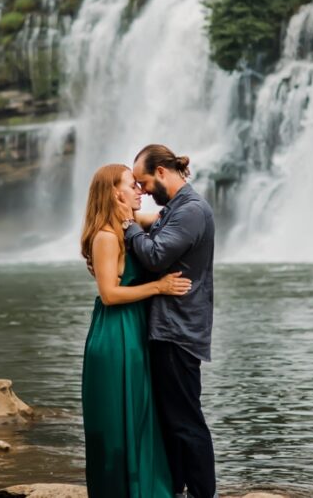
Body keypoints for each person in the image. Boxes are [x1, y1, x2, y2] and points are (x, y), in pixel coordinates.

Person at [81, 163, 192, 497]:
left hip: (134, 332)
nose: (140, 190)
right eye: (133, 185)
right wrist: (158, 287)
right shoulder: (104, 237)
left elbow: (165, 221)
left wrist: (179, 179)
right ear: (116, 193)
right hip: (116, 335)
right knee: (118, 420)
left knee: (142, 414)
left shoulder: (127, 226)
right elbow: (109, 295)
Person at [120, 144, 217, 498]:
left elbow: (157, 256)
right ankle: (175, 489)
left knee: (186, 421)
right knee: (172, 420)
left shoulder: (190, 210)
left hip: (179, 330)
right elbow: (156, 227)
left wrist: (128, 225)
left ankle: (203, 493)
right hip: (170, 328)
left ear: (161, 172)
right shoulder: (176, 209)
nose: (142, 191)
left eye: (143, 182)